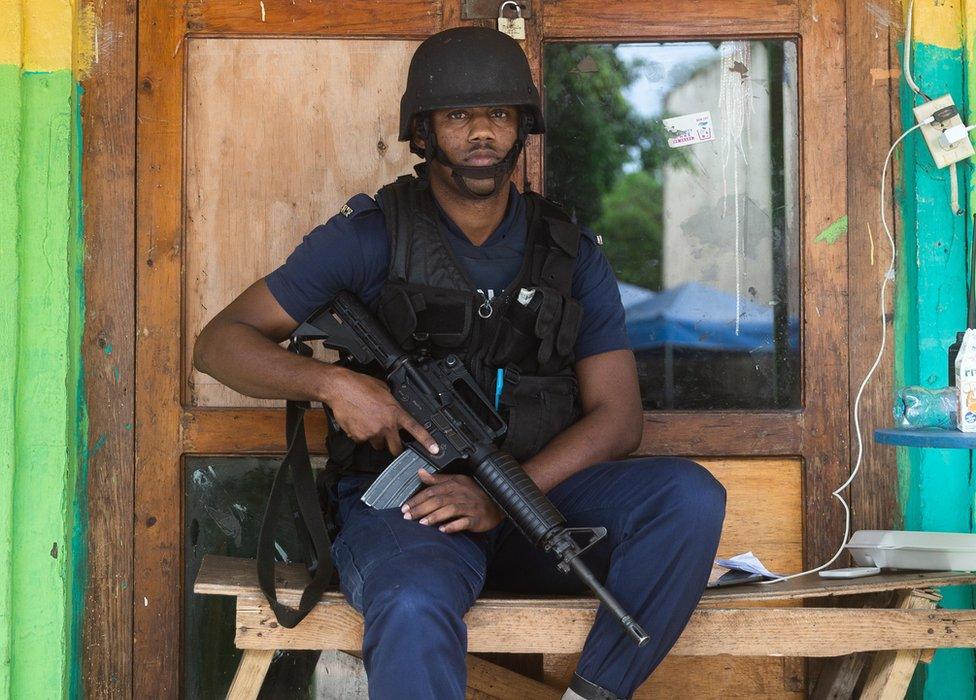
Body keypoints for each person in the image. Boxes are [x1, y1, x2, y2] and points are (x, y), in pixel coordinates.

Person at [193, 26, 726, 700]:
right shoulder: (368, 238)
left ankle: (592, 693)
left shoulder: (569, 255)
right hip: (412, 514)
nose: (481, 134)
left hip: (538, 504)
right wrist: (334, 383)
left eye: (498, 116)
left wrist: (504, 500)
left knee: (688, 498)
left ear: (521, 129)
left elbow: (618, 418)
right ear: (423, 131)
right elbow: (219, 343)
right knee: (413, 602)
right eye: (459, 116)